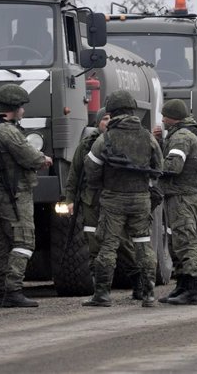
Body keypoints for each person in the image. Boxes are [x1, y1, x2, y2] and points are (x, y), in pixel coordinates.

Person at [82, 91, 163, 308]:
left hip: (112, 199)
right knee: (143, 245)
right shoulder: (148, 137)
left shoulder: (104, 138)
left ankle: (102, 294)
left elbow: (90, 169)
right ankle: (149, 295)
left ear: (112, 111)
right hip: (141, 199)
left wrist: (102, 186)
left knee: (108, 246)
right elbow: (158, 169)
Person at [63, 108, 143, 299]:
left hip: (115, 201)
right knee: (94, 244)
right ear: (97, 123)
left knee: (123, 243)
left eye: (111, 119)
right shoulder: (86, 145)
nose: (107, 122)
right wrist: (69, 200)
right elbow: (75, 174)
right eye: (104, 119)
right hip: (92, 201)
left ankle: (138, 283)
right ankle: (100, 289)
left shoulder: (124, 142)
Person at [0, 84, 52, 308]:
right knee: (24, 241)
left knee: (4, 243)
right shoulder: (8, 131)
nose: (23, 111)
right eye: (22, 107)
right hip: (14, 193)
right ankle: (13, 290)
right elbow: (30, 158)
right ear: (15, 108)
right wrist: (44, 159)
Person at [157, 99, 197, 305]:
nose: (162, 120)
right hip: (178, 195)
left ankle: (192, 290)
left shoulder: (182, 137)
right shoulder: (179, 135)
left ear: (171, 117)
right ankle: (182, 286)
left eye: (164, 116)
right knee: (177, 242)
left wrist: (151, 161)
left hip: (183, 196)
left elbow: (173, 166)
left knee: (186, 241)